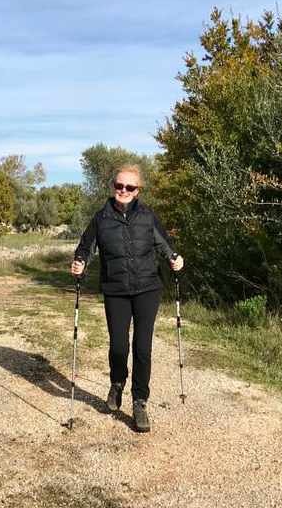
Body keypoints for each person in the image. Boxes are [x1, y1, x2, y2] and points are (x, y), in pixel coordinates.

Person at [71, 165, 183, 433]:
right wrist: (79, 262)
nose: (124, 190)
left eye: (130, 187)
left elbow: (165, 243)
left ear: (137, 190)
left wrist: (175, 258)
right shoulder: (101, 218)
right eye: (119, 186)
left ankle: (139, 401)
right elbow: (85, 247)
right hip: (116, 289)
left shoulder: (147, 215)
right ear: (113, 186)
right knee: (119, 346)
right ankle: (117, 382)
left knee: (142, 347)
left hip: (148, 288)